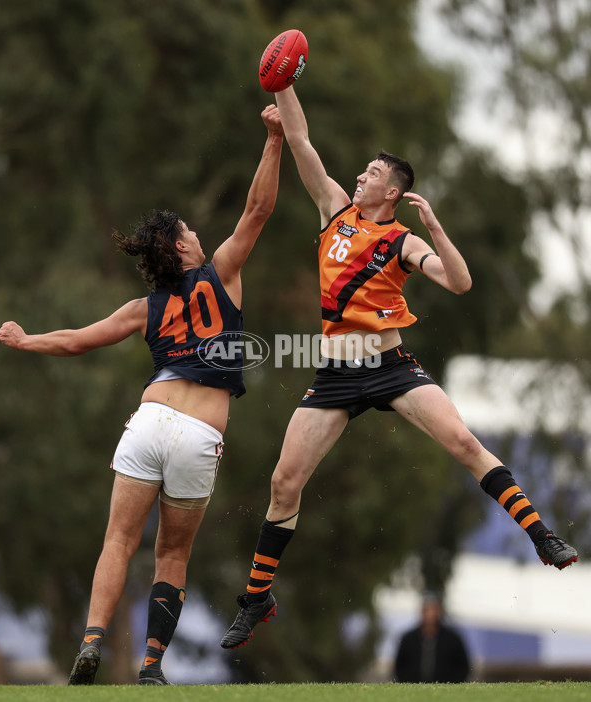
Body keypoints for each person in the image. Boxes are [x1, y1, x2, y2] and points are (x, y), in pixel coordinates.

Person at [219, 85, 577, 650]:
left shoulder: (401, 240)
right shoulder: (334, 209)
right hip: (335, 374)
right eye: (361, 172)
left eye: (370, 173)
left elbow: (459, 283)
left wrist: (434, 227)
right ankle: (258, 596)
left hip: (389, 365)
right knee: (284, 483)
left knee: (462, 441)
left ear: (393, 190)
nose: (359, 177)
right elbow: (302, 141)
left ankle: (542, 535)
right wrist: (285, 82)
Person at [0, 106, 284, 685]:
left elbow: (78, 341)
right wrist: (274, 140)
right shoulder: (223, 271)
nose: (199, 237)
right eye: (190, 234)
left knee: (118, 540)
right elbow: (257, 209)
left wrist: (26, 341)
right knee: (171, 556)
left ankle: (92, 642)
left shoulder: (143, 308)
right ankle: (151, 665)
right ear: (181, 250)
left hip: (149, 421)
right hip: (201, 433)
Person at [394, 593, 470, 683]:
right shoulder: (409, 639)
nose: (430, 615)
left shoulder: (452, 639)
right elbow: (400, 666)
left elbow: (462, 667)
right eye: (426, 610)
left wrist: (450, 685)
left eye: (433, 610)